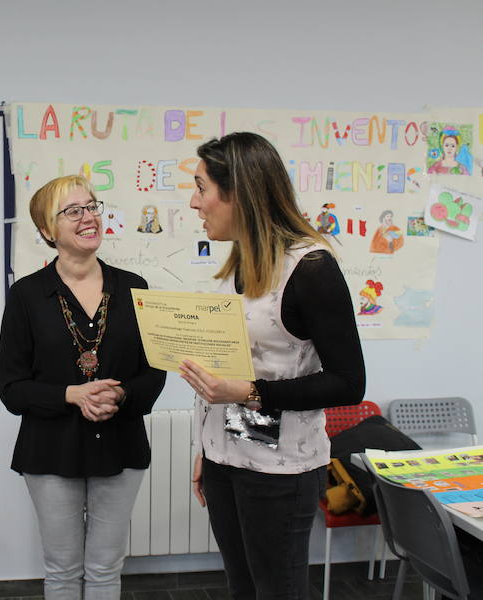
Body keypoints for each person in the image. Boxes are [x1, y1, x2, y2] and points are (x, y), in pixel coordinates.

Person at [181, 132, 365, 600]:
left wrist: (248, 393)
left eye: (201, 187)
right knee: (244, 588)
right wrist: (209, 448)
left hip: (279, 471)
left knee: (278, 591)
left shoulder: (312, 269)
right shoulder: (244, 259)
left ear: (238, 192)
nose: (194, 202)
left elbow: (348, 383)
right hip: (227, 458)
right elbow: (242, 366)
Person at [0, 175, 166, 599]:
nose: (88, 217)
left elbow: (155, 374)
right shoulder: (26, 296)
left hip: (121, 446)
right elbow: (11, 389)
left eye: (92, 206)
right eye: (73, 211)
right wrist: (70, 395)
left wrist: (121, 394)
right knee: (62, 571)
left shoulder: (134, 288)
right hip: (50, 450)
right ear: (47, 231)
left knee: (107, 569)